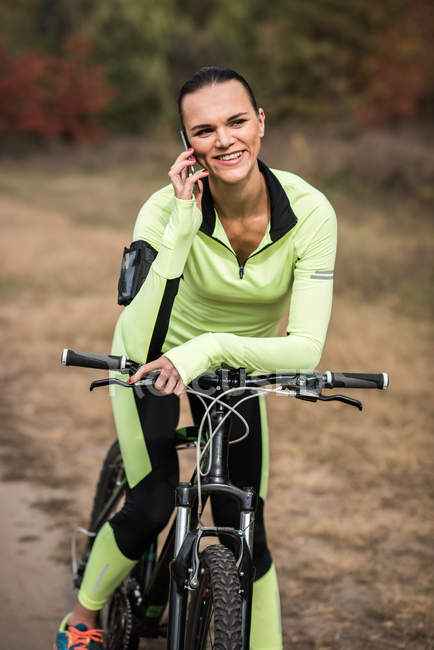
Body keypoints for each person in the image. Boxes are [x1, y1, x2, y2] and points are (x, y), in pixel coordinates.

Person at [55, 66, 337, 650]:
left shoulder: (310, 213)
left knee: (245, 530)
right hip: (150, 358)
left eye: (237, 121)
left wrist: (207, 349)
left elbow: (307, 349)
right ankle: (81, 619)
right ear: (187, 144)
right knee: (154, 499)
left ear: (261, 124)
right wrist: (183, 226)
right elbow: (139, 331)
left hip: (234, 369)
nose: (224, 139)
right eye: (204, 129)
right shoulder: (162, 209)